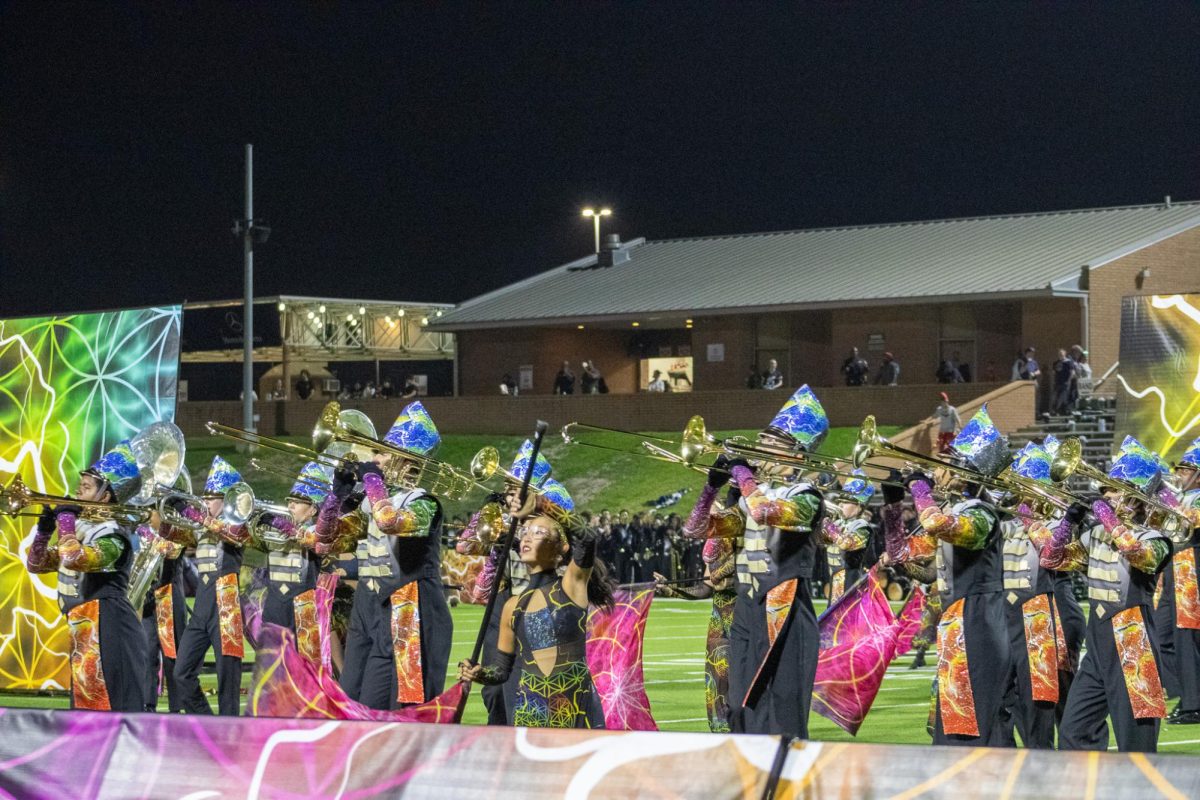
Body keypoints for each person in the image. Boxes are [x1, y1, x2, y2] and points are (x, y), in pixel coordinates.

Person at [683, 384, 828, 737]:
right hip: (748, 611)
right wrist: (711, 487)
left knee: (780, 713)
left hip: (786, 613)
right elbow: (696, 529)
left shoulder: (806, 496)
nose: (760, 450)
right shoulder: (750, 498)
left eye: (770, 444)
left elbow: (766, 512)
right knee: (738, 708)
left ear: (796, 455)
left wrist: (744, 474)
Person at [881, 405, 1011, 746]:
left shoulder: (981, 514)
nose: (939, 471)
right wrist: (893, 504)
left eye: (948, 464)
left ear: (966, 473)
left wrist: (919, 489)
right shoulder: (952, 509)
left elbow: (937, 524)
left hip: (981, 621)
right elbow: (902, 556)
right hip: (957, 620)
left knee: (976, 721)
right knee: (952, 721)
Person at [1041, 436, 1171, 752]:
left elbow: (1135, 552)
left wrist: (1106, 515)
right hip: (1097, 643)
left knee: (1136, 742)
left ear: (1137, 497)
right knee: (1073, 733)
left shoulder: (1157, 539)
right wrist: (1067, 523)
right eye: (1106, 489)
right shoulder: (1094, 534)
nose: (1106, 494)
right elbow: (1050, 558)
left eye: (1114, 489)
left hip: (1133, 644)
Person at [339, 401, 452, 710]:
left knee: (400, 711)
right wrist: (336, 497)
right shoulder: (373, 501)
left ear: (407, 461)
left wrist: (373, 481)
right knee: (357, 705)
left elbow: (391, 522)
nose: (375, 458)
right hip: (373, 610)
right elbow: (327, 542)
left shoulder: (424, 502)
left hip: (413, 613)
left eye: (384, 453)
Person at [459, 505, 615, 728]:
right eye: (525, 533)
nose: (528, 538)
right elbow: (502, 670)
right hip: (530, 709)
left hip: (576, 704)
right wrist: (479, 673)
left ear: (561, 548)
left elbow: (587, 537)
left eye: (539, 533)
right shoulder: (512, 606)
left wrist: (539, 503)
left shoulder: (571, 586)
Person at [25, 441, 148, 711]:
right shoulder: (81, 530)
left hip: (111, 626)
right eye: (80, 484)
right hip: (86, 628)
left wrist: (66, 520)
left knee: (112, 710)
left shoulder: (113, 536)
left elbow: (75, 558)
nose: (78, 489)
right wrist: (44, 531)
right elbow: (36, 564)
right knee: (86, 712)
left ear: (105, 497)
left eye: (87, 486)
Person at [995, 441, 1081, 749]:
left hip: (1055, 608)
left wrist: (1027, 512)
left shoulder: (1060, 519)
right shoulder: (1012, 520)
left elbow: (1051, 553)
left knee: (1057, 694)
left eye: (1023, 483)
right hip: (1017, 611)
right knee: (1019, 695)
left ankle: (1067, 752)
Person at [169, 456, 250, 715]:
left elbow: (232, 534)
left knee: (228, 678)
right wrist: (168, 510)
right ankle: (204, 719)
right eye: (204, 498)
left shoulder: (239, 526)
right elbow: (169, 539)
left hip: (226, 611)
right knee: (182, 673)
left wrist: (195, 515)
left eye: (211, 498)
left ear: (227, 501)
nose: (204, 503)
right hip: (202, 609)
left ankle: (229, 730)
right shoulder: (201, 528)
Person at [655, 536, 737, 732]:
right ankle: (722, 731)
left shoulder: (747, 545)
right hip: (719, 619)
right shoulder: (715, 548)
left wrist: (724, 573)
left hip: (743, 615)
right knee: (718, 679)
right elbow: (704, 589)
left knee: (743, 678)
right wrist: (671, 589)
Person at [1151, 437, 1200, 725]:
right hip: (1174, 568)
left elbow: (1191, 521)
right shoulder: (1181, 497)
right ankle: (1184, 692)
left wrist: (1168, 500)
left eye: (1186, 470)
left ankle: (1194, 704)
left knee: (1187, 637)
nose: (1180, 475)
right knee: (1161, 634)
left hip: (1192, 566)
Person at [820, 470, 875, 601]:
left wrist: (828, 525)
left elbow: (846, 544)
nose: (841, 505)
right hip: (834, 583)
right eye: (841, 501)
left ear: (859, 506)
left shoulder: (862, 527)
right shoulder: (838, 523)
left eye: (846, 502)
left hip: (851, 585)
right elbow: (821, 542)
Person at [1052, 348, 1079, 416]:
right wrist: (1054, 381)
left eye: (1062, 353)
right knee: (1055, 397)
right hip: (1057, 383)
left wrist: (1069, 381)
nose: (1060, 355)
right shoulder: (1056, 363)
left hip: (1065, 383)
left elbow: (1072, 373)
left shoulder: (1069, 362)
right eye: (1059, 354)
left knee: (1062, 397)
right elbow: (1054, 372)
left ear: (1065, 354)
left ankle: (1060, 410)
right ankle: (1056, 411)